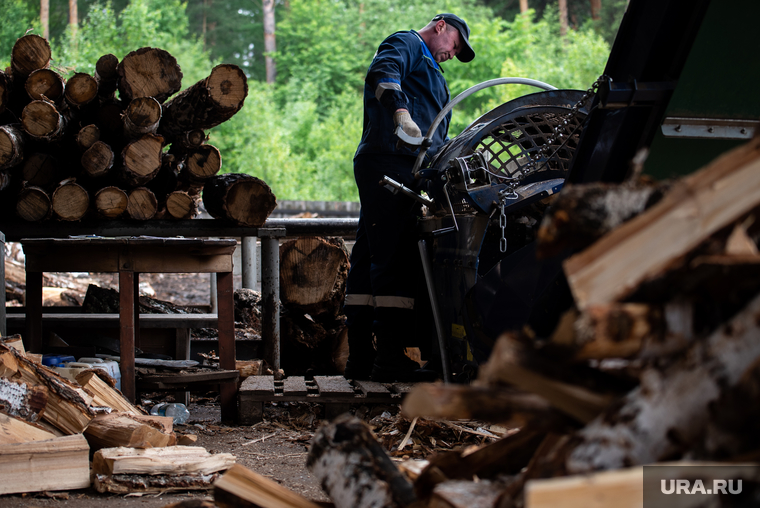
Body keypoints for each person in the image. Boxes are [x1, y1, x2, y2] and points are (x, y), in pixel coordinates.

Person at [343, 13, 475, 382]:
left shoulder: (429, 65)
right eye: (455, 44)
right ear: (440, 26)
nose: (453, 53)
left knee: (371, 253)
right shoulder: (407, 43)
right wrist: (401, 114)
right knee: (394, 257)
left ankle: (360, 359)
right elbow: (383, 71)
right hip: (391, 159)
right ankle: (388, 358)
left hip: (397, 164)